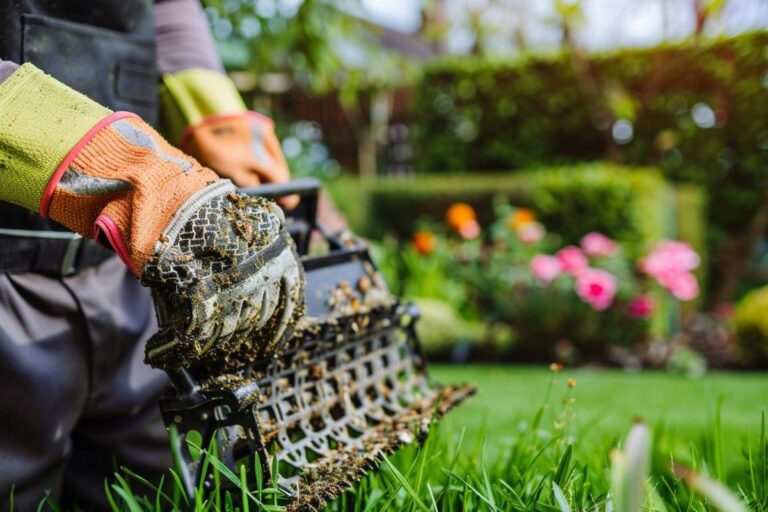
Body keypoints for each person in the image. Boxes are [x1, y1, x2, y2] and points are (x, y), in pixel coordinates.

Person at [0, 0, 305, 508]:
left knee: (152, 494)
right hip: (9, 282)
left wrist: (214, 115)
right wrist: (124, 173)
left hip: (131, 289)